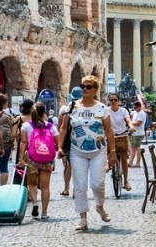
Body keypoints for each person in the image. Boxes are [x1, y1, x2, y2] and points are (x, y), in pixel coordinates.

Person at [57, 75, 115, 231]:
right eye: (83, 86)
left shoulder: (102, 108)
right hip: (77, 152)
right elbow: (63, 128)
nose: (84, 89)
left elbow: (109, 131)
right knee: (80, 186)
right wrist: (60, 147)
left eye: (88, 87)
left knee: (97, 184)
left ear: (95, 90)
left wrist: (113, 151)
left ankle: (100, 206)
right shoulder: (72, 107)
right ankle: (83, 219)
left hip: (98, 151)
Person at [19, 101, 59, 220]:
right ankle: (44, 212)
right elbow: (57, 143)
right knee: (45, 186)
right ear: (44, 113)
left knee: (32, 184)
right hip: (47, 160)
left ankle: (35, 203)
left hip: (32, 159)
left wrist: (21, 158)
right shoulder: (51, 127)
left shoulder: (26, 126)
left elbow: (23, 143)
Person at [0, 93, 18, 198]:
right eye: (6, 102)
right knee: (4, 166)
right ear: (2, 103)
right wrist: (14, 140)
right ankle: (3, 189)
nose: (7, 104)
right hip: (5, 144)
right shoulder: (8, 116)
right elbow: (13, 132)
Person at [105, 92, 133, 191]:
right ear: (109, 101)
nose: (113, 101)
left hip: (121, 135)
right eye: (111, 100)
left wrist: (131, 127)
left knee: (124, 157)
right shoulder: (106, 110)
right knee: (107, 151)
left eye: (115, 100)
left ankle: (126, 181)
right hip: (110, 135)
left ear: (118, 101)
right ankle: (108, 163)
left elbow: (128, 120)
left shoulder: (123, 111)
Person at [58, 86, 83, 196]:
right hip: (79, 140)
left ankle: (66, 188)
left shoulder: (65, 109)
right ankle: (74, 190)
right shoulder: (84, 109)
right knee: (78, 166)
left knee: (68, 165)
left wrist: (59, 145)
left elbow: (61, 128)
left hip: (68, 140)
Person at [128, 100, 146, 168]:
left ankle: (137, 163)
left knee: (137, 148)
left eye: (135, 107)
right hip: (135, 133)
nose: (134, 109)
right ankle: (130, 162)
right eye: (134, 107)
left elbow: (138, 123)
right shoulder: (136, 112)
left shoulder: (141, 113)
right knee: (133, 148)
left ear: (139, 107)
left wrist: (130, 123)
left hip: (138, 133)